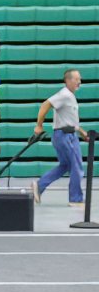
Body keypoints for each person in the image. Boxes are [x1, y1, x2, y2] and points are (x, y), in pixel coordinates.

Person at [32, 69, 87, 206]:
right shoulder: (64, 95)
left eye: (79, 79)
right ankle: (75, 199)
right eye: (76, 79)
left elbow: (70, 120)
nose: (79, 82)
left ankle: (39, 185)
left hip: (69, 134)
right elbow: (46, 104)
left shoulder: (70, 96)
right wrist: (39, 125)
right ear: (67, 80)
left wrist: (81, 132)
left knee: (65, 166)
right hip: (65, 136)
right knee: (76, 166)